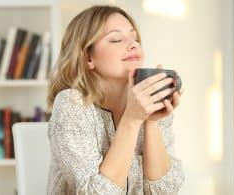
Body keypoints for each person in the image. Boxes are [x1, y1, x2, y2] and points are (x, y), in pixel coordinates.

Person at [46, 5, 185, 195]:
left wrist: (151, 121)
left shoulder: (147, 103)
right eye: (116, 39)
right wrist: (132, 119)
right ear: (88, 57)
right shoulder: (72, 104)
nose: (134, 44)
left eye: (135, 38)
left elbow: (163, 191)